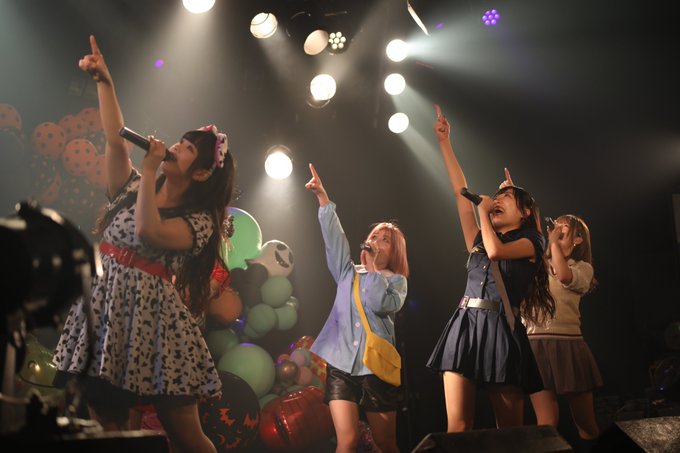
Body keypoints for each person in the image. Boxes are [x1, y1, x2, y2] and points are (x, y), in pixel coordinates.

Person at [53, 35, 235, 453]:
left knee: (186, 434)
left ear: (202, 173)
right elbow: (114, 139)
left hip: (156, 326)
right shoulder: (133, 188)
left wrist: (151, 167)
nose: (175, 147)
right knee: (108, 422)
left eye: (187, 149)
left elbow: (149, 231)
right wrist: (105, 81)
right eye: (181, 141)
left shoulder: (200, 222)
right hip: (106, 309)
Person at [426, 104, 555, 432]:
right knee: (457, 428)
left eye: (506, 197)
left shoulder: (533, 241)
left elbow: (497, 252)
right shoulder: (478, 240)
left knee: (508, 434)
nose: (497, 199)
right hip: (464, 324)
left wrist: (484, 211)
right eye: (496, 196)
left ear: (525, 213)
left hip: (501, 328)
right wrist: (444, 142)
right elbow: (460, 194)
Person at [305, 163, 409, 453]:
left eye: (385, 240)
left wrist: (373, 269)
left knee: (385, 443)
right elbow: (334, 240)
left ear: (395, 251)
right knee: (347, 441)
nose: (376, 241)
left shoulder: (396, 281)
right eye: (374, 236)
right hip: (341, 366)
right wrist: (323, 199)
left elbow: (380, 303)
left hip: (375, 367)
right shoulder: (347, 273)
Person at [525, 214, 602, 440]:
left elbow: (564, 276)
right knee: (546, 422)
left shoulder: (583, 268)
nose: (557, 226)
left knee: (586, 424)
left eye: (564, 226)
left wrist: (554, 244)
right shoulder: (537, 264)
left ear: (578, 239)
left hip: (568, 345)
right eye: (556, 224)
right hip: (535, 345)